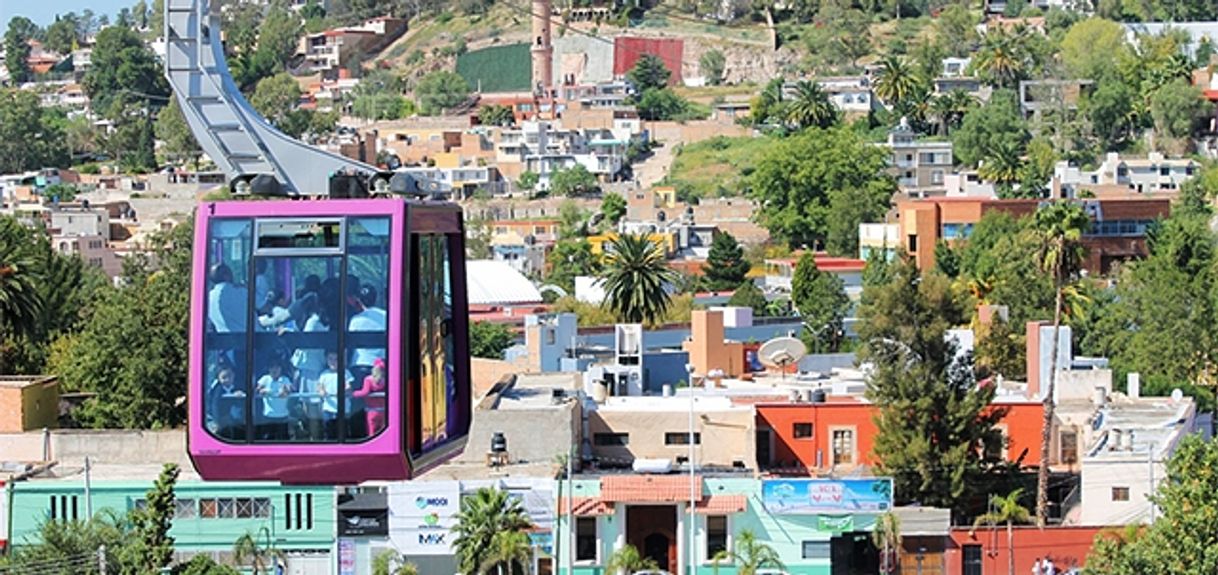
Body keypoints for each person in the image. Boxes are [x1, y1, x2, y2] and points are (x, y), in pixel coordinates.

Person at [348, 284, 386, 379]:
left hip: (359, 364)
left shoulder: (355, 319)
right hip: (380, 366)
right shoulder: (386, 316)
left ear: (359, 300)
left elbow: (350, 343)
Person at [317, 350, 354, 438]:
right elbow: (319, 386)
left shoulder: (346, 372)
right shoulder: (324, 374)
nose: (333, 362)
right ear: (326, 360)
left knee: (343, 431)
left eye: (336, 359)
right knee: (328, 431)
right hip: (328, 408)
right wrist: (321, 391)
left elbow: (349, 387)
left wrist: (344, 391)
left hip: (343, 409)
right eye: (330, 359)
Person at [256, 361, 293, 439]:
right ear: (269, 369)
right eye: (272, 367)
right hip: (268, 415)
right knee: (268, 439)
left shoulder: (285, 379)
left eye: (277, 367)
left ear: (281, 369)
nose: (274, 370)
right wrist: (261, 391)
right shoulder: (265, 378)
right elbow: (257, 390)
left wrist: (285, 390)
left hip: (283, 416)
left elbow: (289, 389)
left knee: (283, 439)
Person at [206, 366, 245, 439]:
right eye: (224, 377)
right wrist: (217, 420)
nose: (227, 379)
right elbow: (215, 405)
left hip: (236, 419)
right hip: (221, 417)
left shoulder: (238, 387)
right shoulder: (217, 390)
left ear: (234, 375)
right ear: (218, 378)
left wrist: (239, 396)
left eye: (229, 376)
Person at [207, 263, 248, 332]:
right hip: (251, 338)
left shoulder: (209, 297)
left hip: (225, 339)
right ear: (226, 276)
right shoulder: (239, 292)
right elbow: (263, 307)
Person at [352, 357, 388, 436]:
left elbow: (365, 392)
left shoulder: (368, 379)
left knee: (371, 432)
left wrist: (353, 393)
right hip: (384, 411)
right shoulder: (387, 380)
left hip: (372, 411)